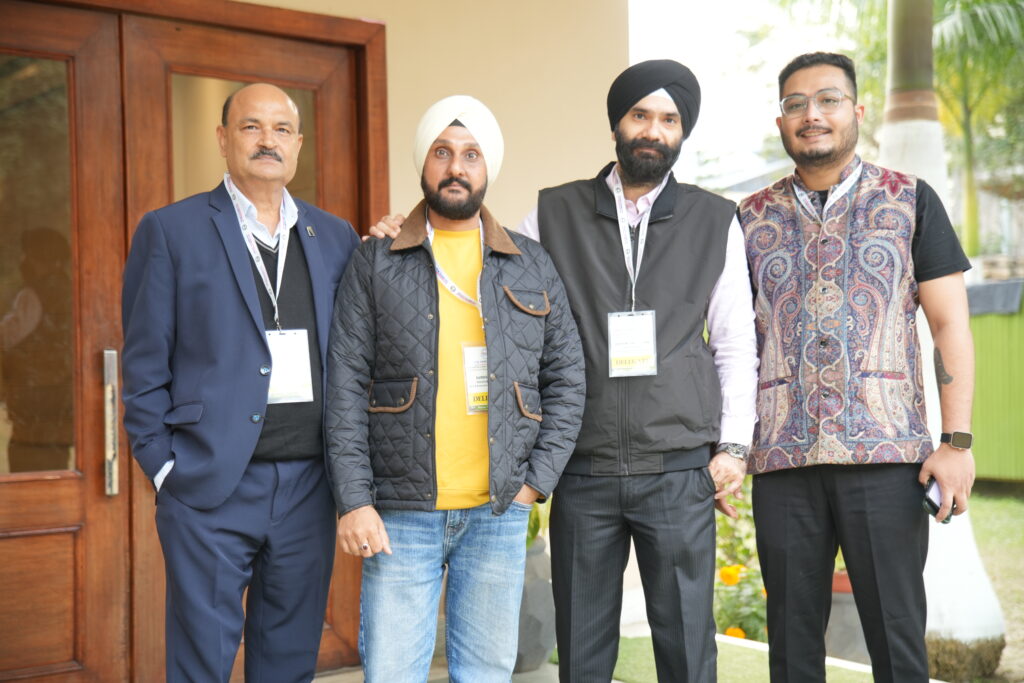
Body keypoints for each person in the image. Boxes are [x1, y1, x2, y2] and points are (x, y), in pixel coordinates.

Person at [326, 95, 585, 682]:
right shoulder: (376, 260)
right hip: (400, 513)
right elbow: (345, 385)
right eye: (442, 152)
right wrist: (355, 500)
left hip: (498, 509)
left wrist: (534, 484)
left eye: (471, 154)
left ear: (488, 167)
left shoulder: (530, 263)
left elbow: (568, 378)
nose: (456, 167)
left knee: (486, 674)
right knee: (392, 672)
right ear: (423, 162)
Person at [738, 52, 975, 683]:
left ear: (857, 110)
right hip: (783, 463)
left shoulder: (910, 200)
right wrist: (728, 446)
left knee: (897, 644)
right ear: (781, 120)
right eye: (795, 104)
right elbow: (730, 342)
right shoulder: (748, 218)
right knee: (791, 650)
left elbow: (949, 324)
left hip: (888, 461)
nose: (811, 114)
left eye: (828, 100)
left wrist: (955, 443)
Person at [121, 83, 360, 682]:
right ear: (223, 139)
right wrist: (164, 467)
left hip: (308, 488)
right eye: (251, 126)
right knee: (201, 663)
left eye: (282, 129)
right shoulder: (172, 231)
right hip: (209, 486)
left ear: (299, 144)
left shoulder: (334, 236)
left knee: (288, 663)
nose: (267, 141)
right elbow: (144, 363)